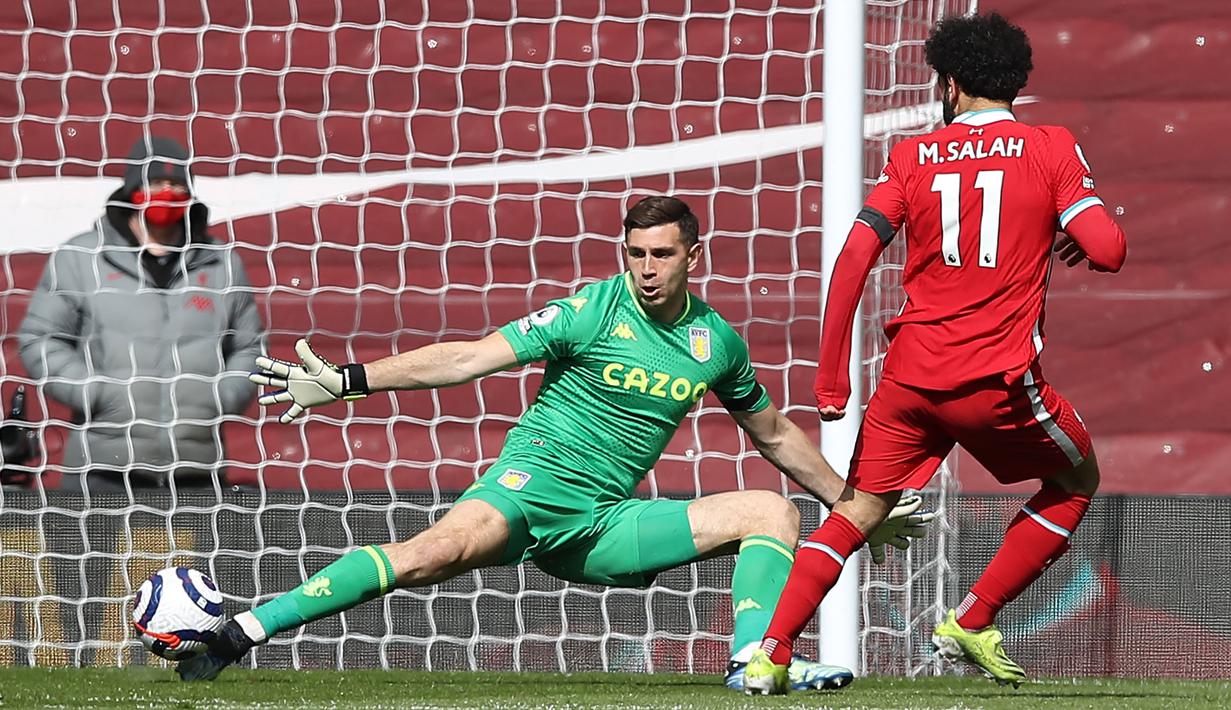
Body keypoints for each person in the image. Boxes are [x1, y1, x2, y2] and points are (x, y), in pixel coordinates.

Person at [178, 196, 934, 689]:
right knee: (428, 555)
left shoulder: (715, 344)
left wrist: (854, 504)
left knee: (770, 512)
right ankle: (243, 630)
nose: (644, 269)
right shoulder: (588, 311)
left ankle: (751, 663)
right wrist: (352, 380)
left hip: (600, 526)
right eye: (634, 253)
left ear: (691, 258)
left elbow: (769, 430)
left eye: (661, 255)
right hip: (528, 493)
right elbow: (469, 356)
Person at [742, 13, 1128, 694]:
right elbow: (1108, 250)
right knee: (1074, 483)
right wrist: (1069, 229)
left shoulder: (911, 157)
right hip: (993, 382)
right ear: (1016, 82)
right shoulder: (1050, 146)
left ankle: (769, 654)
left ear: (948, 85)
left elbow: (855, 256)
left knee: (856, 511)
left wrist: (830, 379)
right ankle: (971, 619)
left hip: (908, 381)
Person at [17, 136, 263, 494]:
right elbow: (39, 339)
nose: (167, 191)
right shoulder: (82, 257)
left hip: (196, 472)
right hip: (102, 469)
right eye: (156, 182)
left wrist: (221, 396)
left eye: (177, 183)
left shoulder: (221, 262)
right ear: (133, 188)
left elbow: (250, 347)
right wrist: (96, 393)